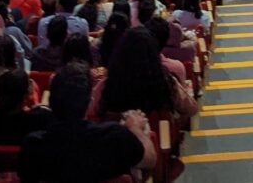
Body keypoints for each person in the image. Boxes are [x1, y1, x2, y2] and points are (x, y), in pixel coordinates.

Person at [19, 61, 154, 182]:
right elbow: (150, 160)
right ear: (90, 103)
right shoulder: (114, 137)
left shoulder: (32, 145)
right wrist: (135, 128)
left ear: (51, 101)